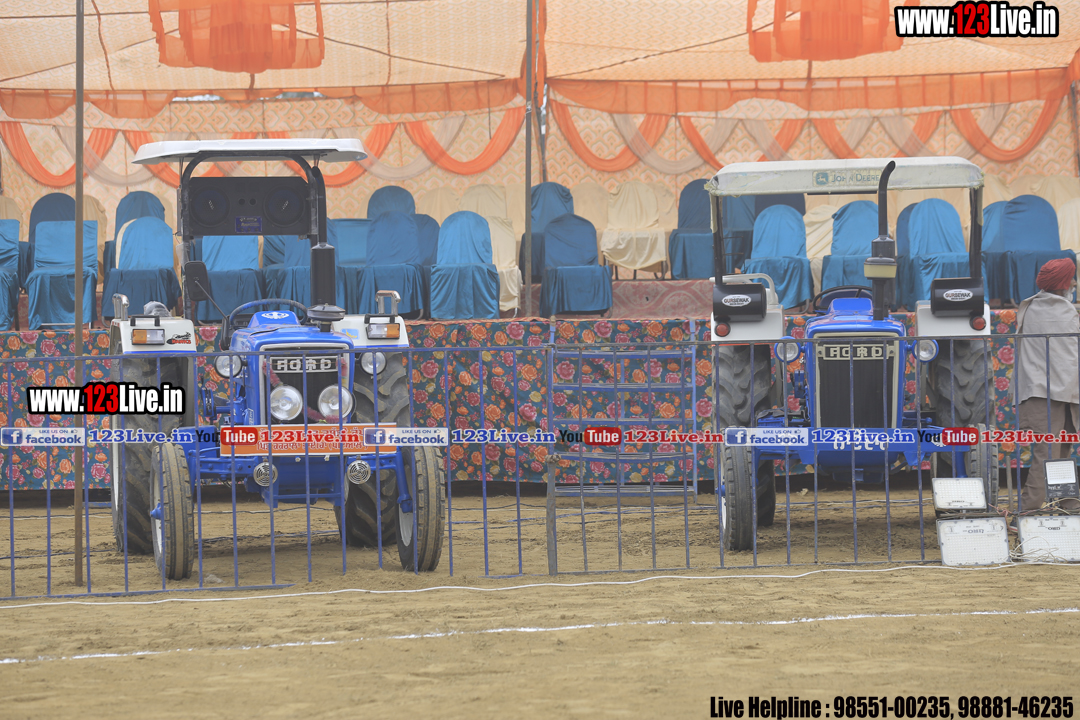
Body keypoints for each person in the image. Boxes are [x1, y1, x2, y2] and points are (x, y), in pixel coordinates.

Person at [1014, 257, 1080, 512]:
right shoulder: (1059, 310)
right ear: (1064, 282)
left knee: (1061, 451)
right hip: (1046, 392)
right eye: (1072, 278)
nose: (1074, 283)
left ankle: (1069, 505)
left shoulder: (1033, 307)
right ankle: (1026, 511)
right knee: (1048, 453)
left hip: (1059, 391)